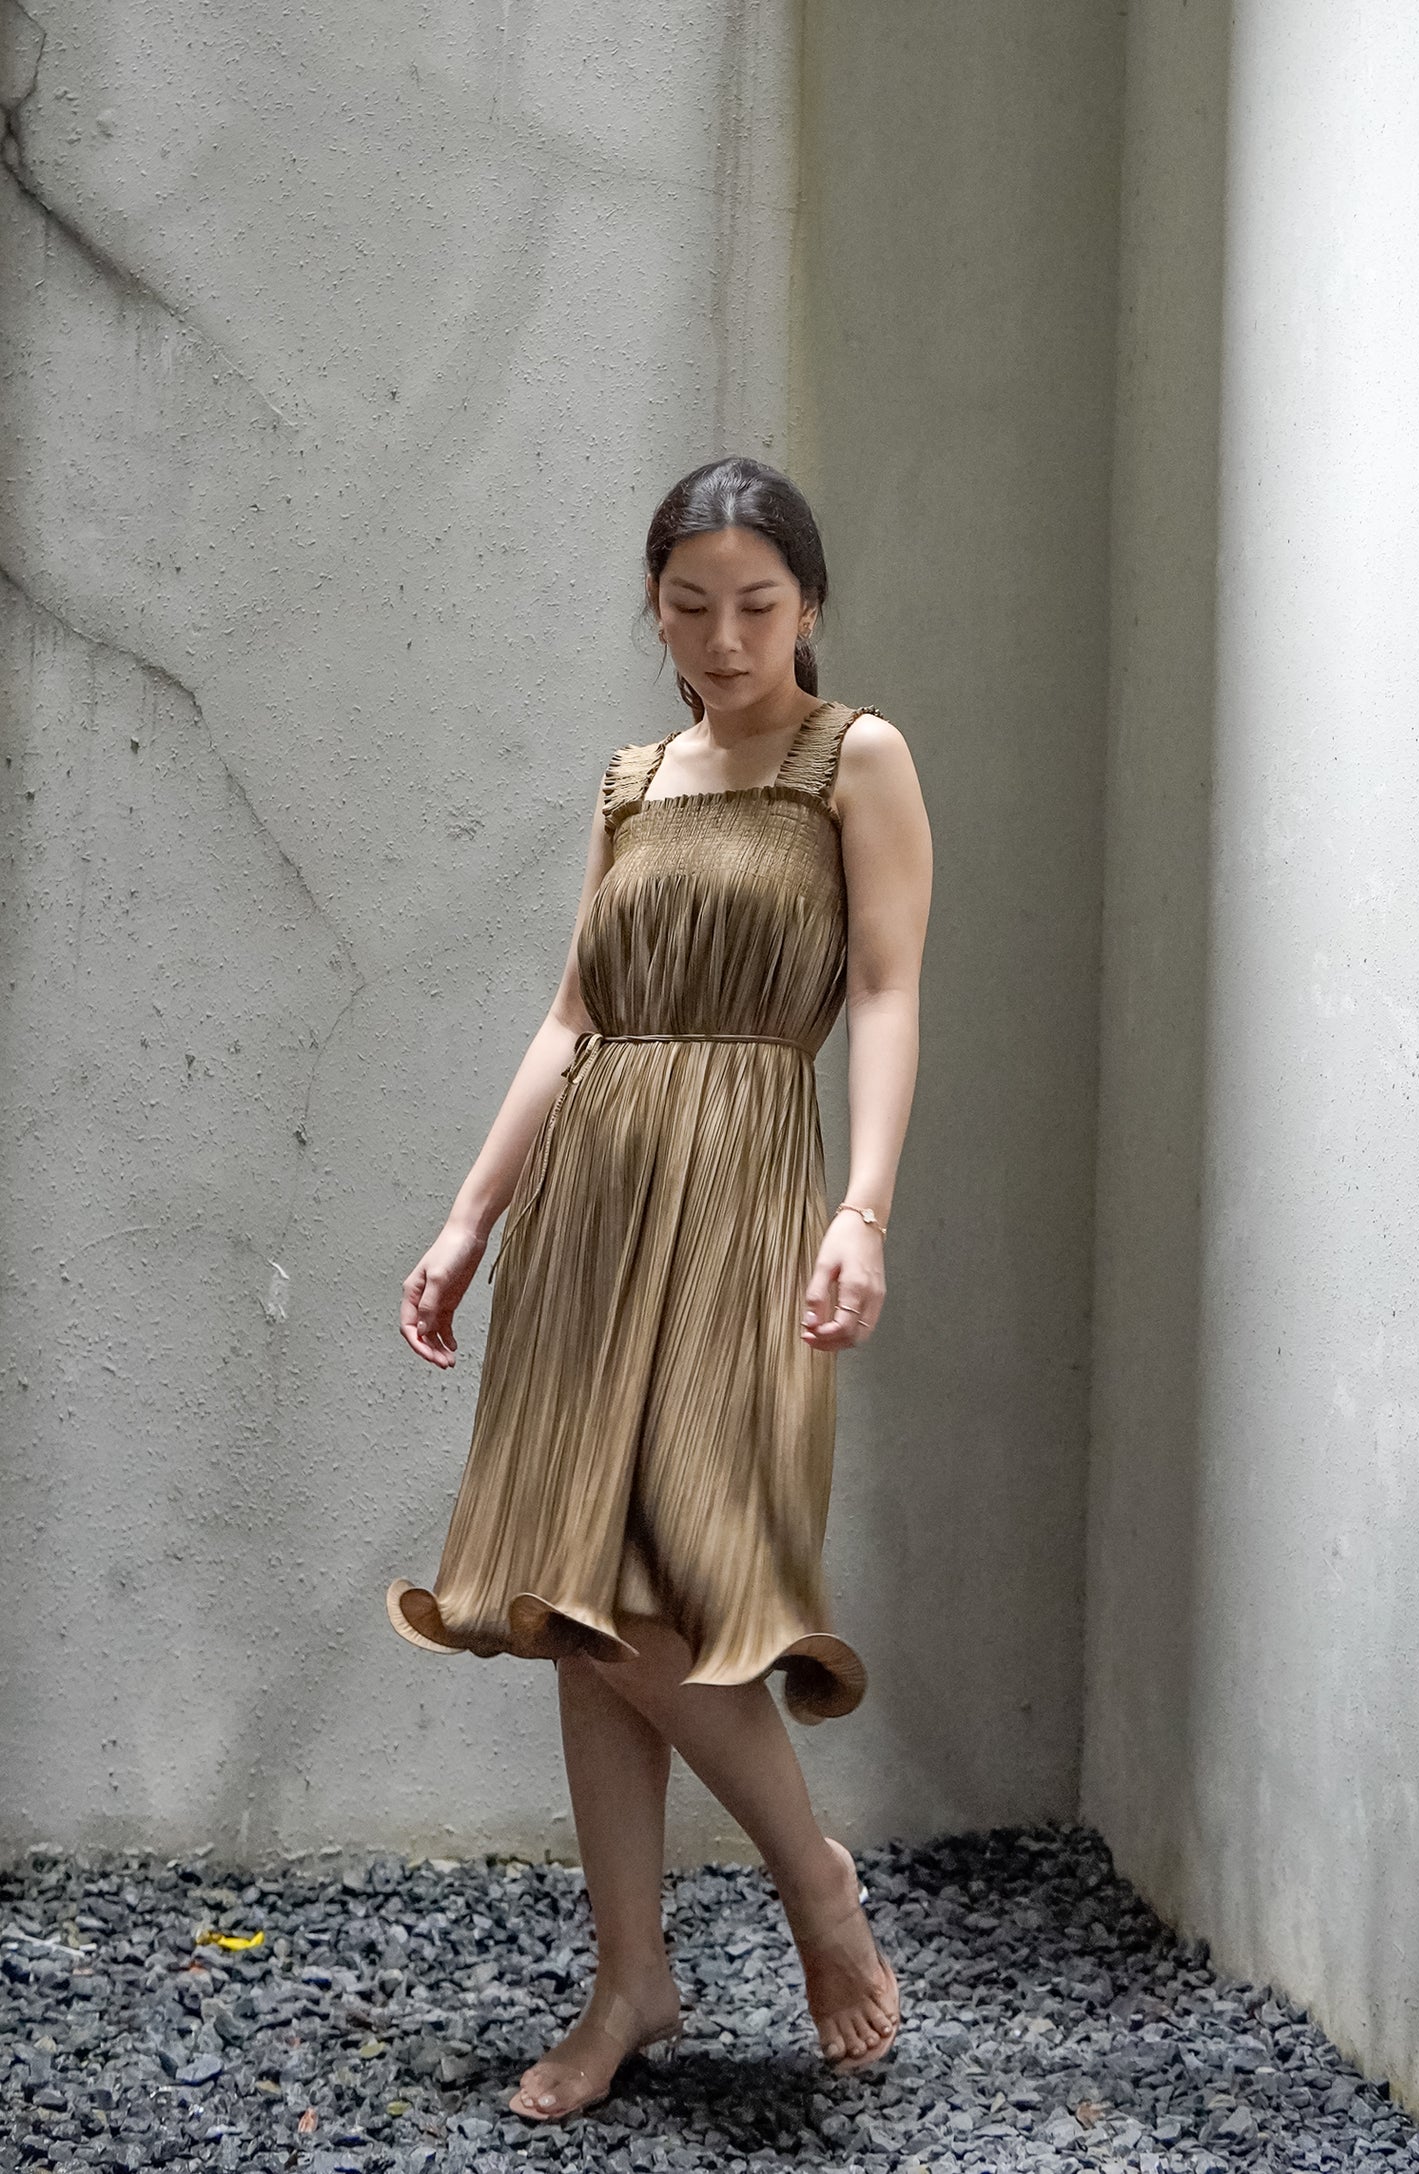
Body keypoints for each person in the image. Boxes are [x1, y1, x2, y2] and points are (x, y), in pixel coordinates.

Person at [388, 455, 933, 2123]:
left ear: (810, 602)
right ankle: (630, 1973)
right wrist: (468, 1221)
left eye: (756, 604)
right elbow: (572, 1018)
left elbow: (887, 990)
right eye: (689, 606)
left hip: (744, 1190)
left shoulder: (854, 758)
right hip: (592, 1200)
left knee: (667, 1584)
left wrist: (862, 1210)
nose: (724, 639)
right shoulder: (634, 783)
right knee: (575, 1593)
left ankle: (811, 1878)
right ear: (654, 607)